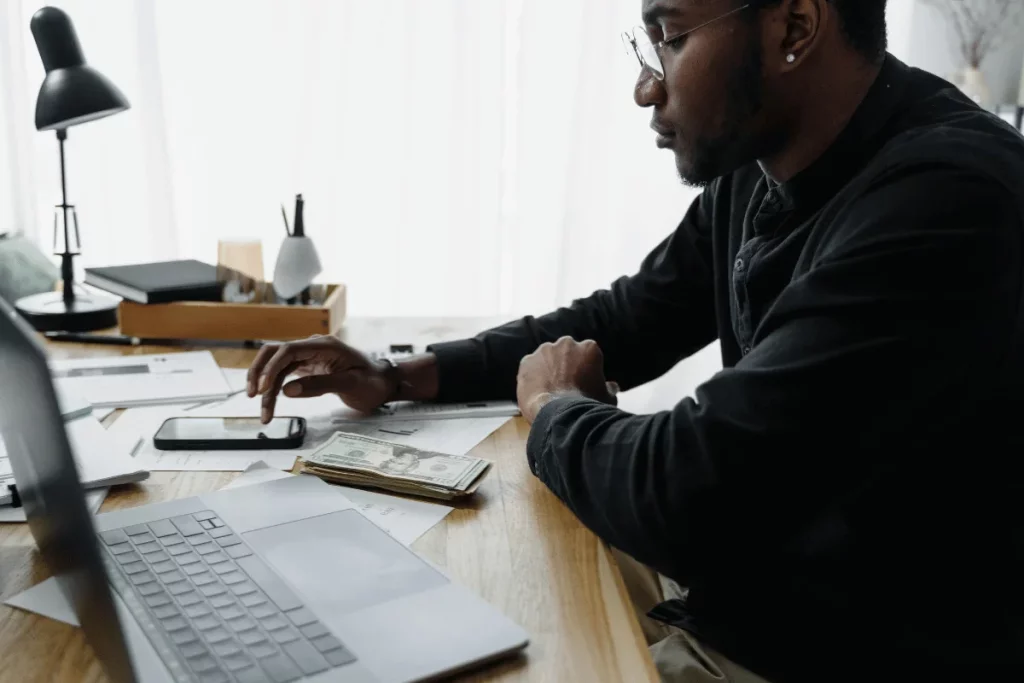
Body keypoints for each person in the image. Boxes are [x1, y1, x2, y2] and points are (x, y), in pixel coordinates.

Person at [248, 0, 1024, 680]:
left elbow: (688, 493)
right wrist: (400, 375)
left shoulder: (947, 199)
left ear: (794, 26)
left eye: (671, 36)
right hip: (749, 597)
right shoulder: (765, 162)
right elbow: (629, 317)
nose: (646, 85)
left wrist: (553, 407)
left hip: (826, 653)